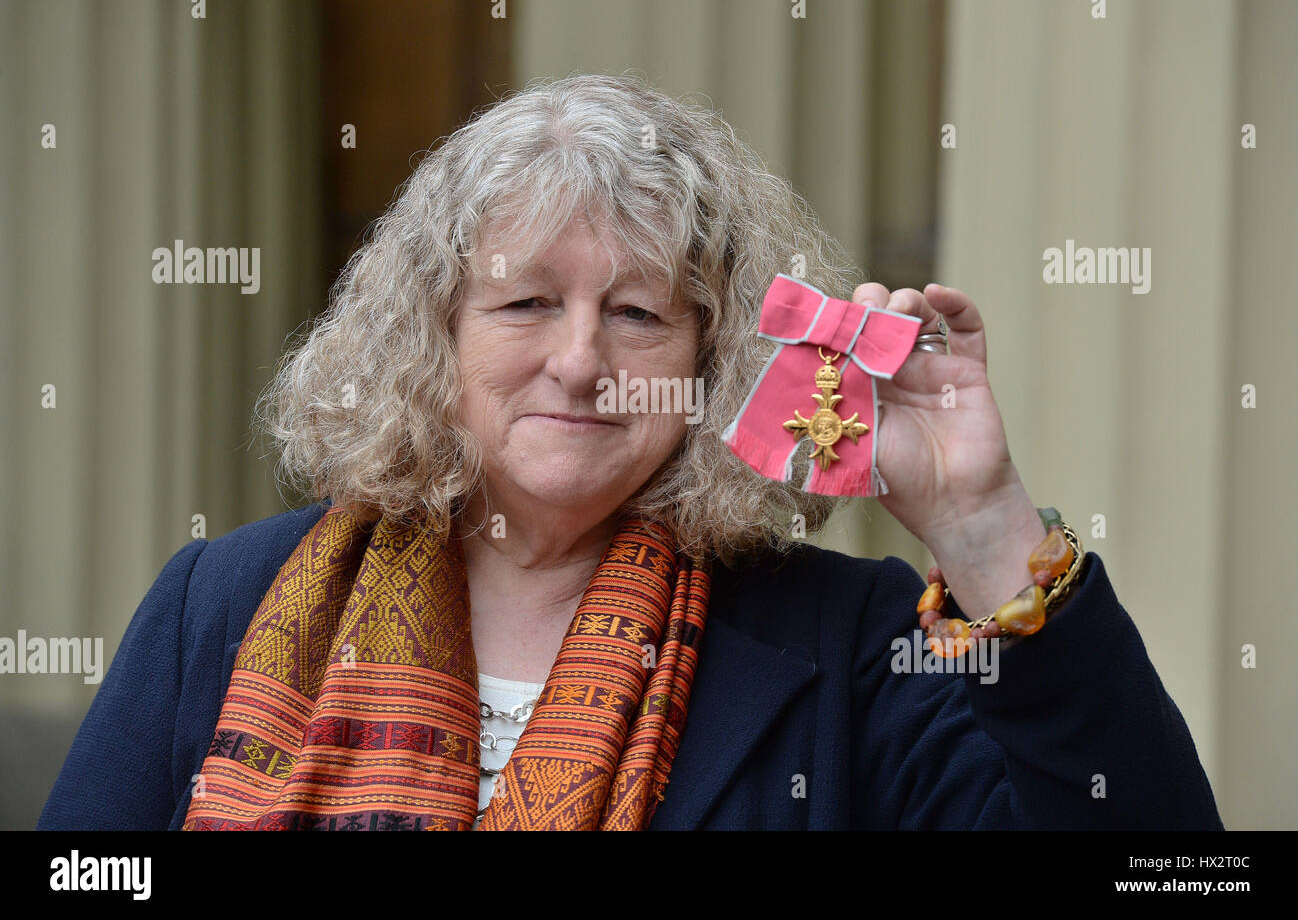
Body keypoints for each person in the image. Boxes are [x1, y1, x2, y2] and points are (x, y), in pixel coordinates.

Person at [38, 72, 1222, 830]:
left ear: (710, 358)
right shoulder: (222, 603)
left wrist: (983, 525)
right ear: (431, 335)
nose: (579, 360)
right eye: (522, 306)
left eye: (640, 312)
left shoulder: (853, 644)